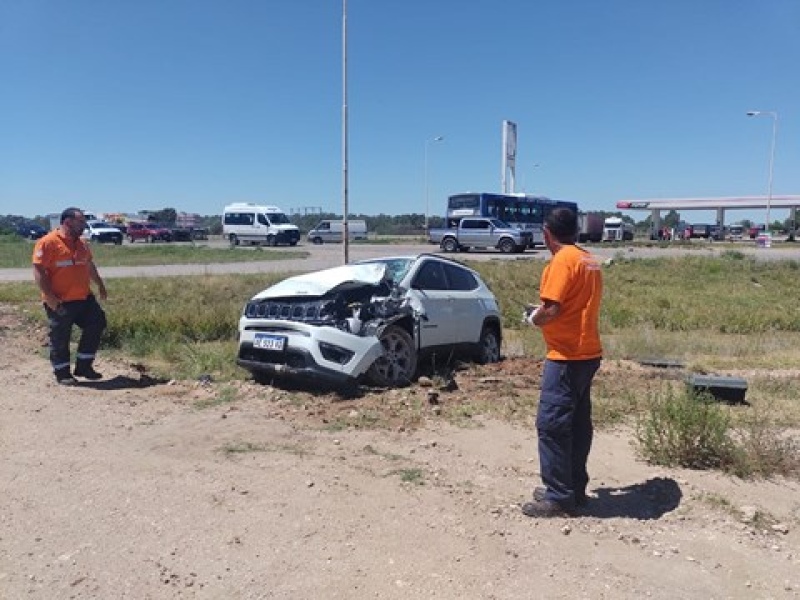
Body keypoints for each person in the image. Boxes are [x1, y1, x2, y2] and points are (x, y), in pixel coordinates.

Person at [522, 207, 603, 517]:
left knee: (552, 425)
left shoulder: (562, 261)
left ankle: (558, 497)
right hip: (588, 352)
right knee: (578, 424)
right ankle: (573, 488)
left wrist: (534, 318)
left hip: (567, 356)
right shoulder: (588, 259)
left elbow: (552, 309)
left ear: (546, 233)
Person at [33, 207, 108, 385]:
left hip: (84, 298)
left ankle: (84, 366)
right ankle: (62, 372)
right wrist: (49, 296)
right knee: (60, 336)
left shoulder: (82, 243)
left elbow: (89, 265)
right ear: (68, 222)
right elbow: (39, 271)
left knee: (97, 323)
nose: (84, 225)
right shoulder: (48, 243)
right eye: (80, 221)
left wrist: (100, 285)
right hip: (60, 300)